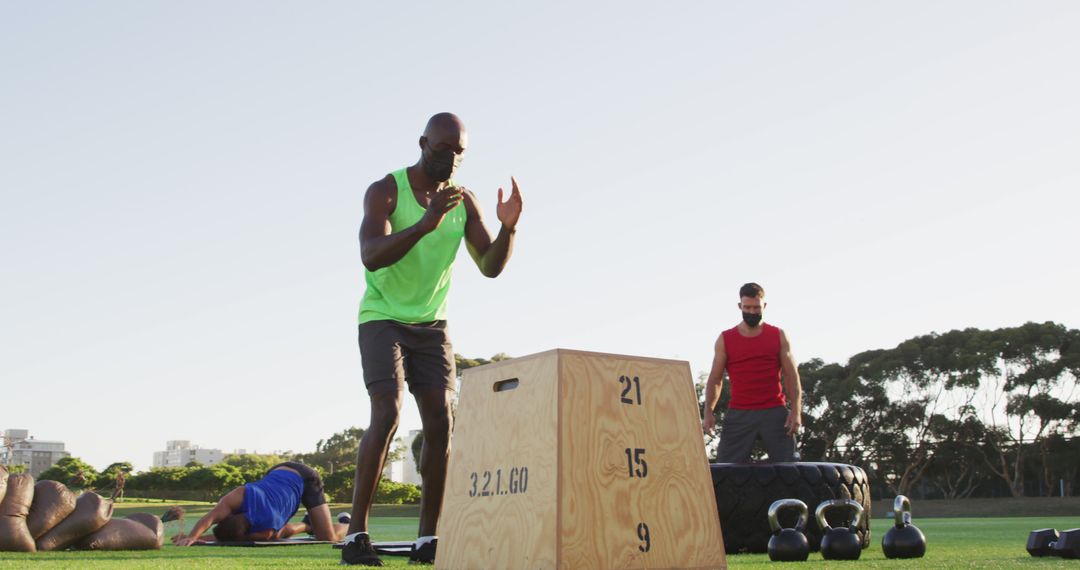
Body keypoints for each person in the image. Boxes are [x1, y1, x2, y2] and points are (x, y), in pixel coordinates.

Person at [342, 112, 523, 566]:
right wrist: (424, 223)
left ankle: (427, 541)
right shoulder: (386, 189)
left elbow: (491, 266)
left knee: (441, 422)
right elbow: (371, 256)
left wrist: (509, 228)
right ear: (424, 143)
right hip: (382, 318)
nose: (452, 158)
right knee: (387, 412)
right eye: (444, 149)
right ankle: (356, 536)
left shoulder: (465, 202)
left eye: (459, 151)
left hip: (432, 327)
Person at [702, 282, 803, 463]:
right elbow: (715, 379)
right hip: (739, 413)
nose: (751, 311)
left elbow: (791, 375)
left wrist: (796, 411)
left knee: (789, 469)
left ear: (764, 306)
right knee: (726, 469)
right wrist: (708, 412)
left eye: (756, 307)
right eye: (747, 307)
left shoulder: (778, 335)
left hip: (774, 411)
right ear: (740, 306)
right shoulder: (725, 339)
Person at [172, 462, 346, 545]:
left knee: (327, 538)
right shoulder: (238, 496)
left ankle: (347, 524)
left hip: (306, 478)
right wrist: (192, 537)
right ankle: (308, 525)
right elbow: (210, 518)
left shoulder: (266, 525)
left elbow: (234, 538)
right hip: (277, 471)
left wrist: (199, 538)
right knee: (278, 534)